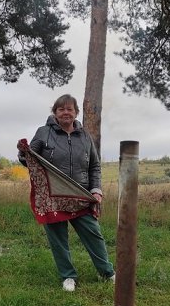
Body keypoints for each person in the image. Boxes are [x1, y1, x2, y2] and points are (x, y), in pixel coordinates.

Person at [17, 94, 115, 292]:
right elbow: (30, 159)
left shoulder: (85, 136)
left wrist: (96, 190)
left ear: (76, 112)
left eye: (69, 109)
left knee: (94, 235)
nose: (65, 112)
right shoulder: (43, 132)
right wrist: (23, 152)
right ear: (55, 112)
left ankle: (107, 272)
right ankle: (68, 276)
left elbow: (94, 166)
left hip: (81, 194)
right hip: (53, 197)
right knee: (58, 239)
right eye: (61, 109)